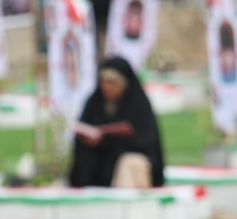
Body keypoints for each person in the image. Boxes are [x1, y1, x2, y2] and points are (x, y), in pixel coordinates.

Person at [69, 57, 165, 188]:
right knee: (85, 158)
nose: (106, 87)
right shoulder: (94, 102)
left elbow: (147, 140)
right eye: (103, 81)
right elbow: (83, 129)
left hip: (126, 154)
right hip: (99, 158)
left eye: (112, 82)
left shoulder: (138, 104)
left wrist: (117, 140)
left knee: (131, 162)